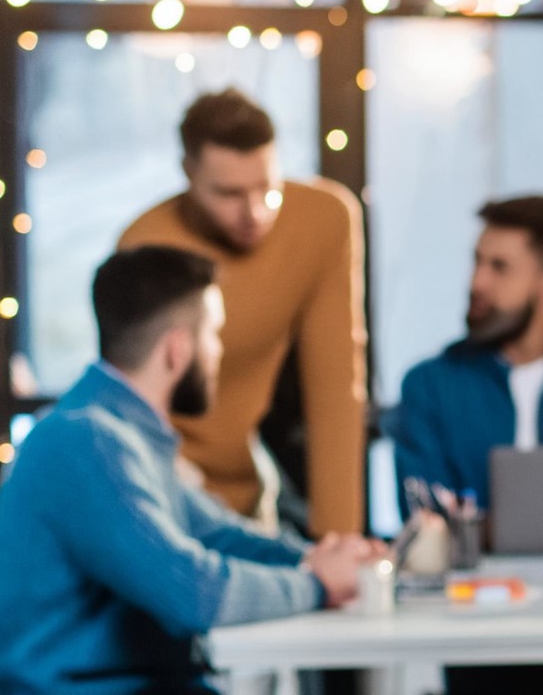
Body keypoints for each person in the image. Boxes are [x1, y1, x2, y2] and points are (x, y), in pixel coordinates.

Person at [0, 246, 382, 695]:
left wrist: (316, 558)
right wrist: (315, 584)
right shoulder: (88, 441)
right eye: (214, 334)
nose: (219, 352)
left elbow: (218, 535)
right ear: (177, 349)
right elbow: (193, 593)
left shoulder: (116, 431)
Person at [119, 88, 366, 537]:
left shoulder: (323, 220)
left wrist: (342, 542)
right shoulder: (147, 244)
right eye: (229, 193)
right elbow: (133, 405)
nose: (254, 212)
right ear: (188, 174)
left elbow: (335, 391)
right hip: (165, 495)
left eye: (266, 189)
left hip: (251, 494)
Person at [392, 195, 543, 511]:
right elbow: (423, 520)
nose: (477, 282)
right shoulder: (428, 385)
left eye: (499, 267)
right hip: (471, 563)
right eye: (477, 261)